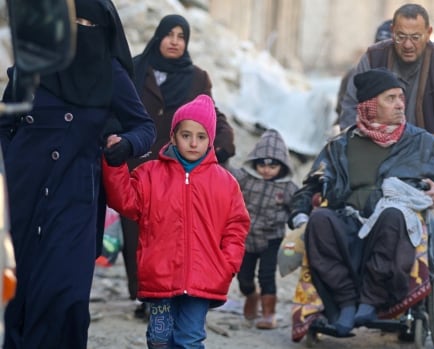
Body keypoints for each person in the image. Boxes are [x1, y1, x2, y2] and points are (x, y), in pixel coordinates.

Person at [0, 0, 156, 347]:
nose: (79, 30)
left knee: (64, 292)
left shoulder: (110, 72)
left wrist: (126, 144)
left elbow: (144, 126)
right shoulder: (34, 64)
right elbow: (5, 123)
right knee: (17, 290)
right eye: (73, 21)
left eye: (88, 23)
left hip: (74, 195)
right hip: (21, 192)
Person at [288, 68, 434, 336]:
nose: (399, 104)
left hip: (392, 226)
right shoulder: (340, 146)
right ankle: (347, 303)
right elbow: (311, 185)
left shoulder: (421, 143)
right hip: (349, 221)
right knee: (320, 221)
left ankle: (370, 301)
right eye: (390, 98)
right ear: (369, 106)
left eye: (400, 98)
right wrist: (300, 213)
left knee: (394, 215)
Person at [102, 94, 250, 348]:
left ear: (210, 141)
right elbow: (125, 201)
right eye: (186, 135)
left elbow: (236, 226)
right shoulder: (150, 174)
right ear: (173, 136)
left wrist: (227, 264)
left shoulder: (225, 183)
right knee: (159, 340)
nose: (193, 143)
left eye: (201, 137)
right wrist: (115, 165)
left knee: (189, 338)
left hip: (204, 278)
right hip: (160, 276)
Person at [123, 14, 237, 319]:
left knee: (169, 232)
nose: (175, 41)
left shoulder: (196, 77)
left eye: (181, 36)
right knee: (136, 234)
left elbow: (211, 114)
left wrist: (221, 145)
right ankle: (144, 294)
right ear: (158, 36)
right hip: (136, 164)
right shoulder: (134, 68)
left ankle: (172, 291)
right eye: (169, 34)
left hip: (176, 165)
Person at [337, 3, 434, 162]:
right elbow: (351, 108)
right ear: (392, 32)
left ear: (428, 34)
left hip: (427, 154)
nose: (408, 45)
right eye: (401, 37)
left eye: (415, 37)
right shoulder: (374, 57)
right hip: (377, 152)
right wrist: (359, 147)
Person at [228, 129, 299, 329]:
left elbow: (299, 205)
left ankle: (269, 313)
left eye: (273, 166)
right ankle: (251, 295)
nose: (266, 170)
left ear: (282, 166)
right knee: (243, 277)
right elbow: (226, 175)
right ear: (255, 163)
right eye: (262, 164)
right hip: (246, 236)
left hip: (271, 238)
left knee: (267, 275)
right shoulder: (246, 178)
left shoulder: (288, 188)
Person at [335, 19, 392, 116]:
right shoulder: (356, 74)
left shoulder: (403, 75)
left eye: (388, 46)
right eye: (380, 45)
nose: (383, 51)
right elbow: (344, 109)